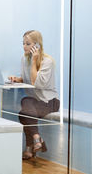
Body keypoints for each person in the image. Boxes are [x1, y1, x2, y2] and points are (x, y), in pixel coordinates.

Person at [8, 30, 60, 160]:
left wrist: (34, 60)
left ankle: (30, 147)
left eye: (28, 43)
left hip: (49, 101)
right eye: (23, 43)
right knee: (25, 110)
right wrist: (18, 79)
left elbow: (36, 83)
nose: (24, 46)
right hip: (35, 102)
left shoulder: (47, 62)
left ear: (37, 45)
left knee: (25, 107)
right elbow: (27, 78)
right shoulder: (24, 59)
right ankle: (37, 140)